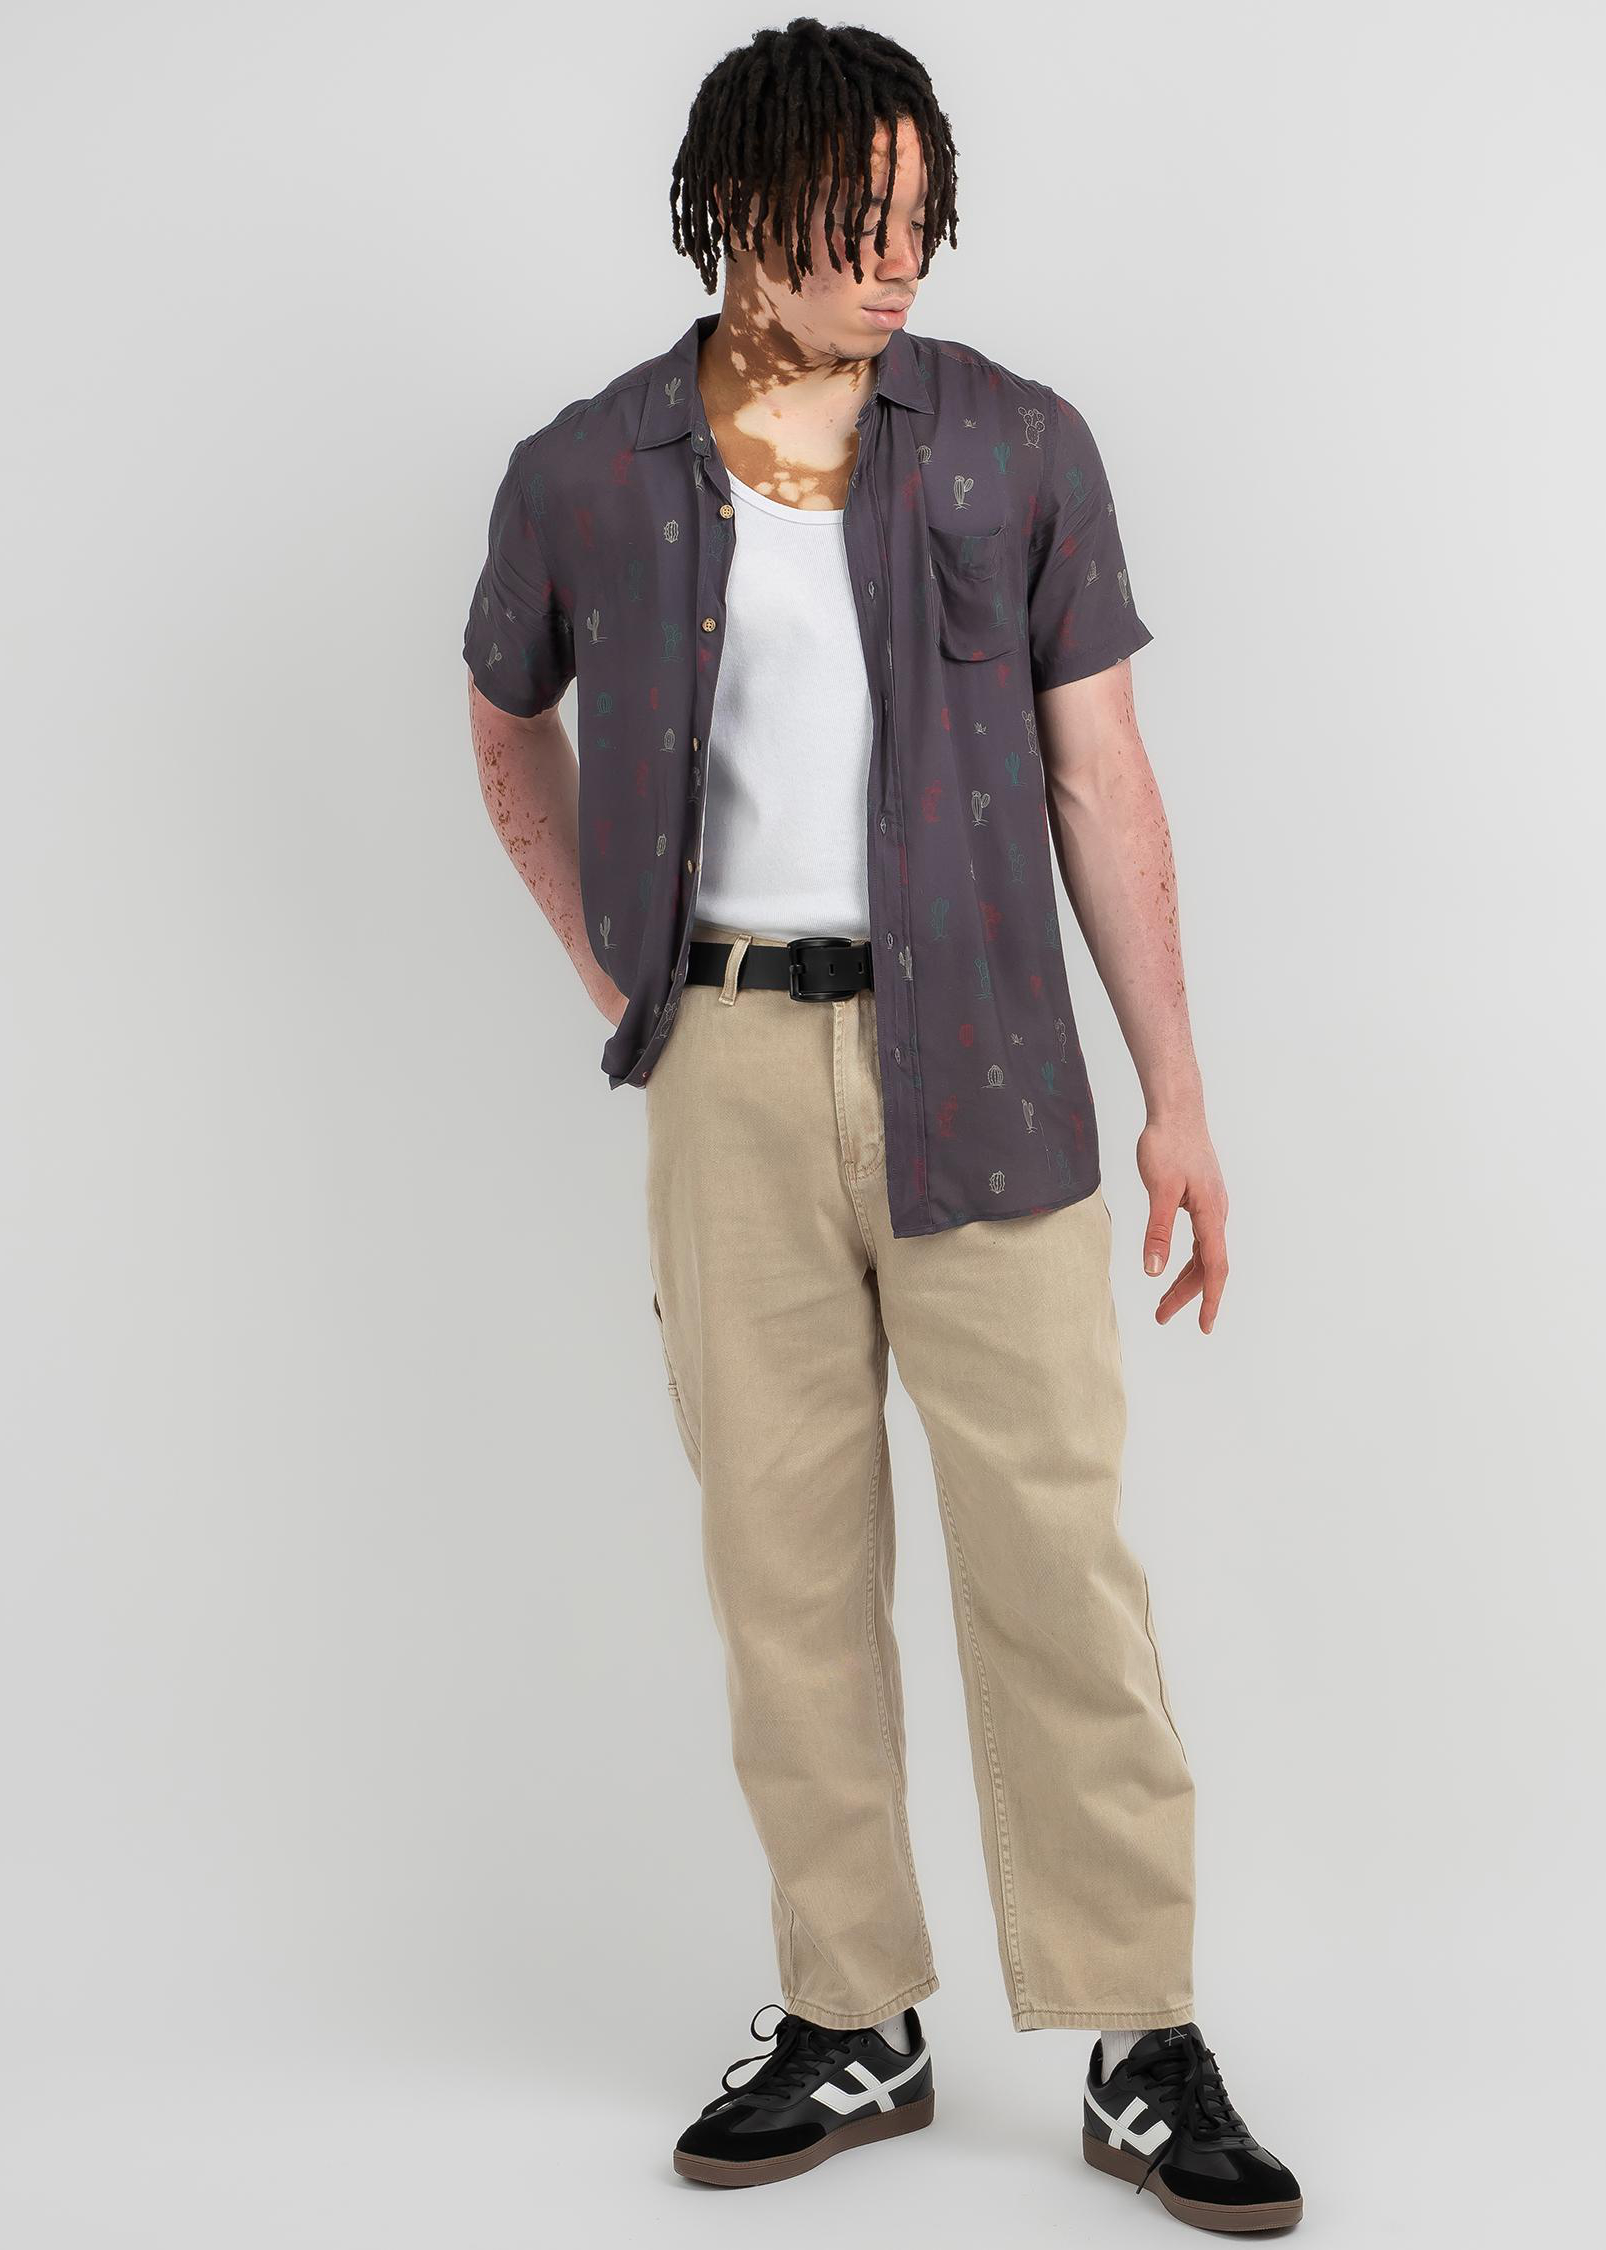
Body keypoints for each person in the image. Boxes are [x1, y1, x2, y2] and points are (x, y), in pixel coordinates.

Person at [461, 16, 1302, 2233]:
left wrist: (1180, 1095)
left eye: (922, 217)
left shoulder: (1017, 444)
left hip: (993, 1059)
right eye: (857, 219)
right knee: (784, 1564)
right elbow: (501, 716)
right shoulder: (582, 471)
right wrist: (624, 977)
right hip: (728, 1066)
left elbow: (1104, 777)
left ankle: (1139, 2033)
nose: (900, 256)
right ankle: (853, 2012)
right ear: (740, 209)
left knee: (1058, 1554)